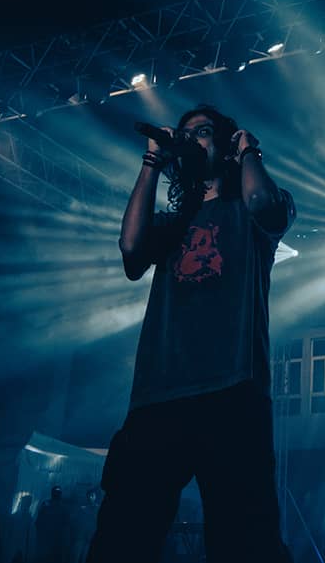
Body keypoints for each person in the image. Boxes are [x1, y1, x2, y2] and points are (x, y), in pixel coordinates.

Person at [87, 105, 296, 563]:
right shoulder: (172, 224)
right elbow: (131, 248)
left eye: (203, 132)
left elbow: (264, 205)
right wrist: (152, 160)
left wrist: (248, 151)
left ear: (225, 143)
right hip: (158, 395)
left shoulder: (250, 210)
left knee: (246, 543)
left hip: (232, 390)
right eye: (186, 134)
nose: (192, 140)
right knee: (122, 537)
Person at [35, 486, 70, 563]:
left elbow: (66, 524)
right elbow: (39, 520)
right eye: (56, 492)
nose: (57, 494)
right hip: (46, 538)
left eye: (58, 492)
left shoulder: (63, 507)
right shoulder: (46, 504)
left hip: (56, 539)